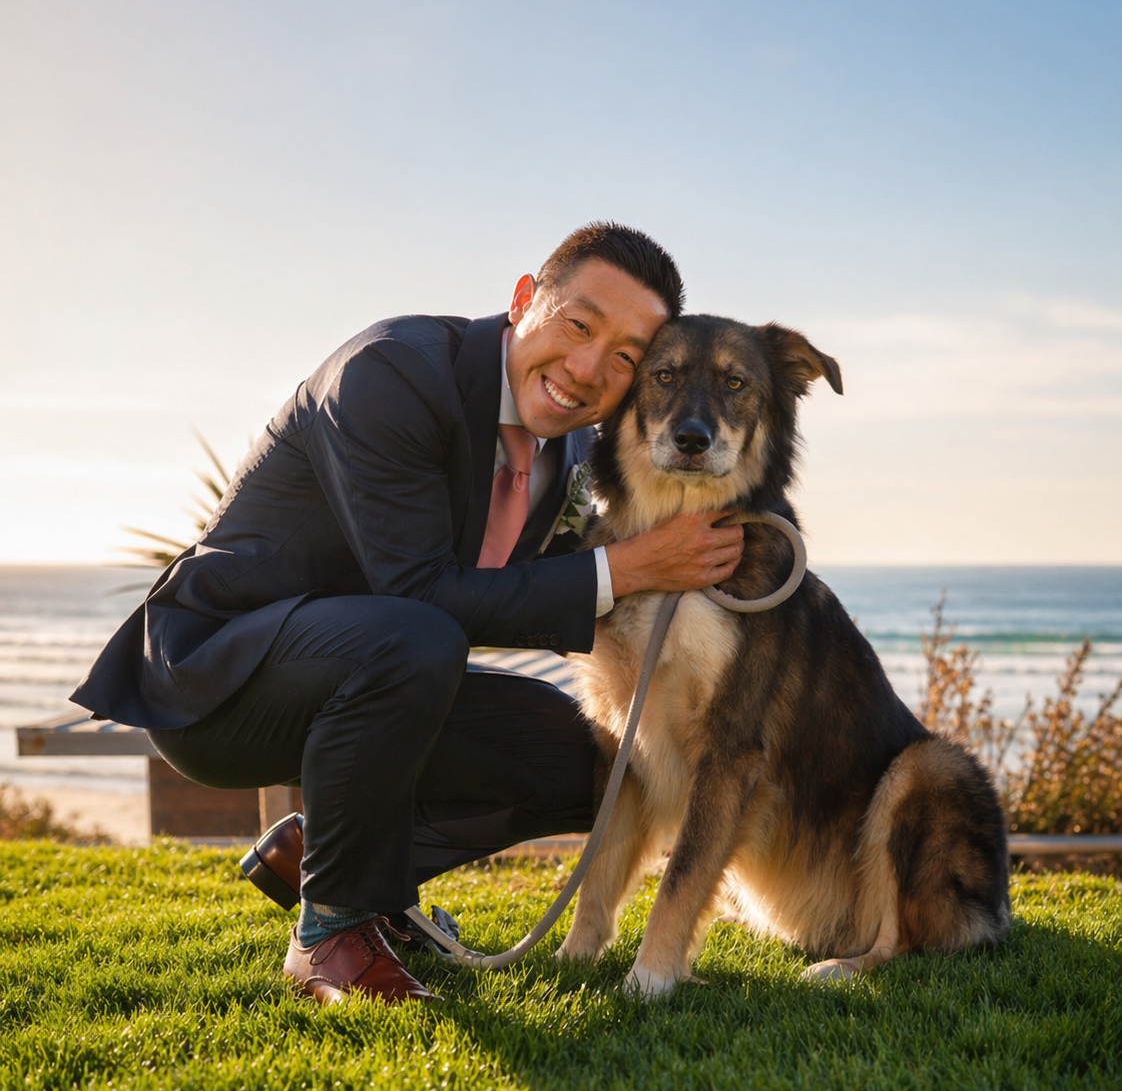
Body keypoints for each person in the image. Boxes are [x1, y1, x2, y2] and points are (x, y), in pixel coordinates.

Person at [72, 222, 745, 1005]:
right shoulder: (392, 371)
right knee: (416, 630)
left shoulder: (560, 452)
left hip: (377, 676)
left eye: (627, 357)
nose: (589, 368)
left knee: (587, 760)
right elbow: (421, 592)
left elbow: (510, 591)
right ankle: (332, 929)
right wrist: (621, 570)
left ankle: (332, 858)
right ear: (526, 299)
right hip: (219, 681)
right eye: (579, 325)